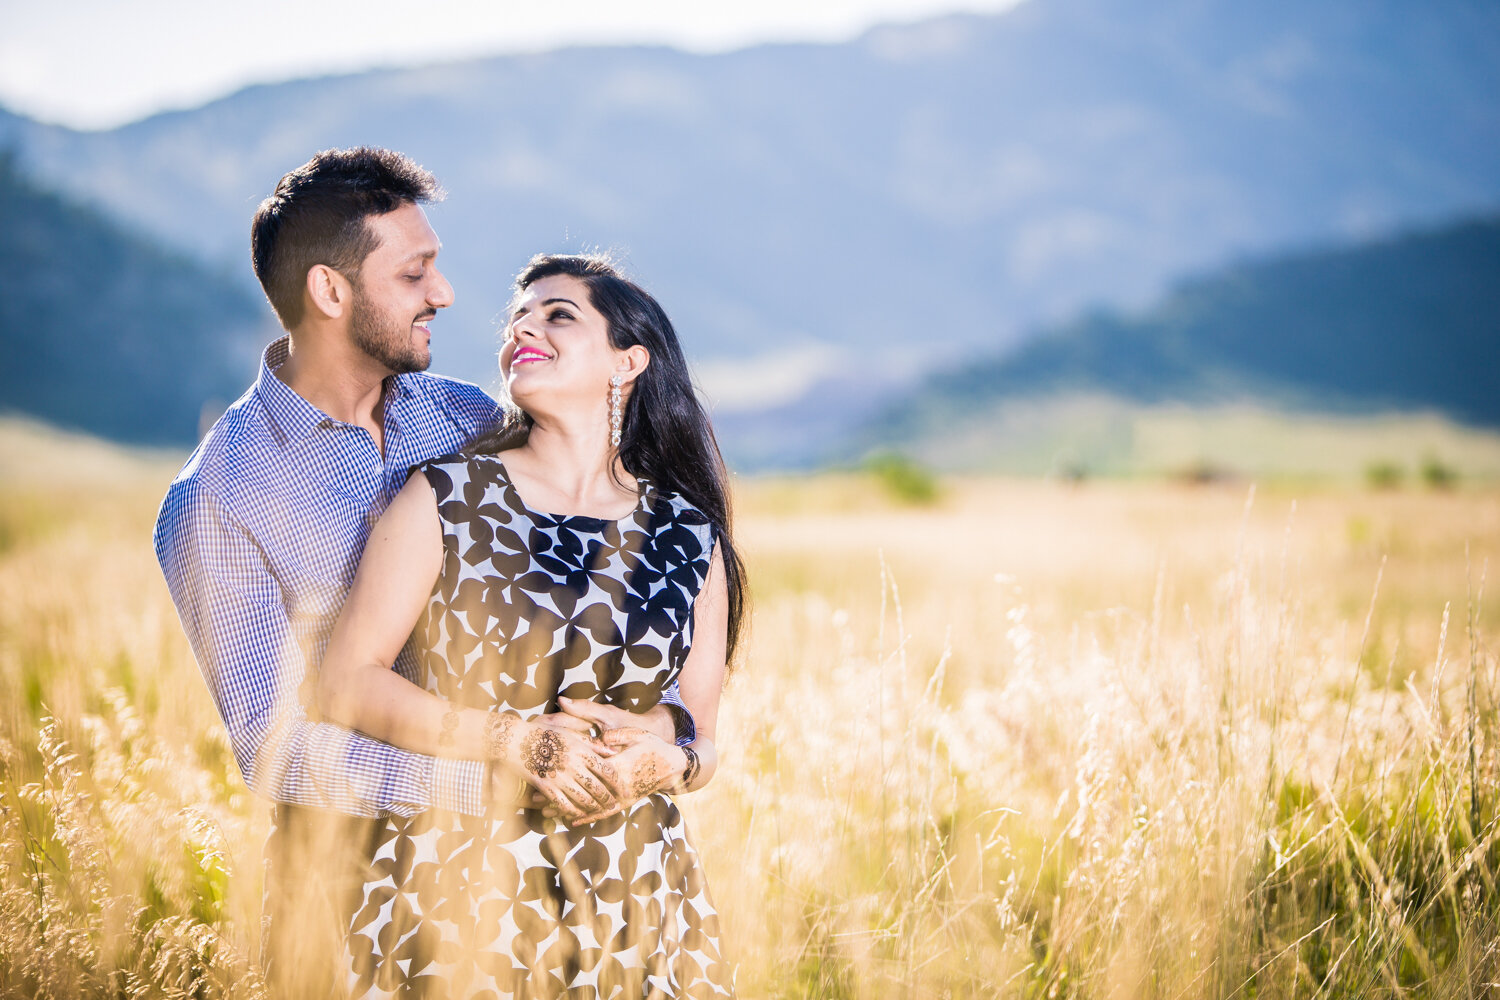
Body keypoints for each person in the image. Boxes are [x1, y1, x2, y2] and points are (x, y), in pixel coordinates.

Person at [152, 149, 691, 995]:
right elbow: (277, 751)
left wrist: (658, 744)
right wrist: (499, 770)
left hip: (524, 881)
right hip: (342, 890)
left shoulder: (465, 417)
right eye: (415, 274)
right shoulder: (218, 500)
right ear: (332, 293)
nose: (443, 295)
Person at [314, 253, 745, 997]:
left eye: (557, 315)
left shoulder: (689, 534)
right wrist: (514, 740)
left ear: (628, 360)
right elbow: (346, 681)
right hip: (462, 880)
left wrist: (668, 766)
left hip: (634, 892)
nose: (524, 329)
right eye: (517, 318)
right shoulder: (447, 495)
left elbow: (699, 734)